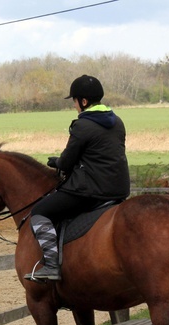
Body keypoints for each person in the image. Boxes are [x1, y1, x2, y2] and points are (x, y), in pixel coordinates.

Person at [24, 75, 130, 282]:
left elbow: (67, 161)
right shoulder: (117, 122)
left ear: (83, 101)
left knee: (39, 212)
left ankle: (52, 265)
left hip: (89, 191)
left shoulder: (83, 126)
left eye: (74, 101)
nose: (74, 105)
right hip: (119, 189)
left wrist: (57, 162)